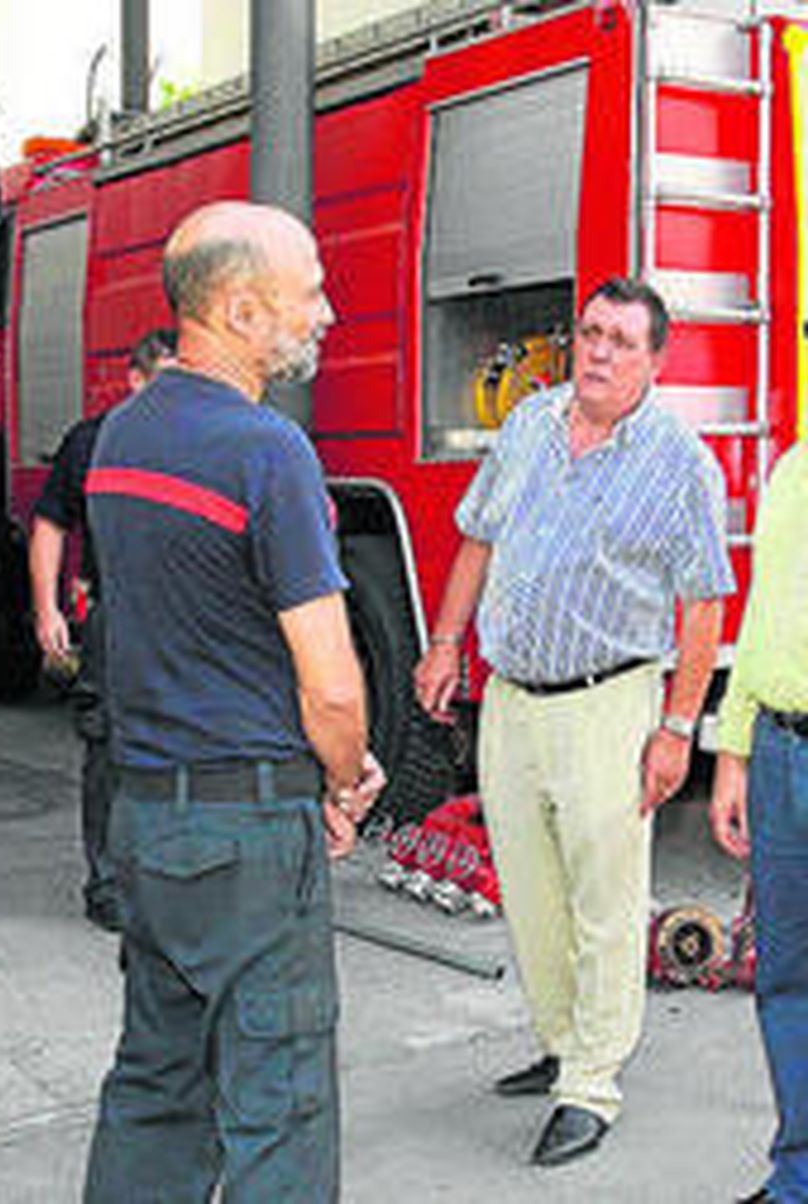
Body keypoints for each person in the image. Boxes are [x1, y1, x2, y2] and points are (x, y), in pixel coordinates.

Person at [81, 200, 384, 1204]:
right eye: (308, 293)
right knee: (279, 1105)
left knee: (156, 1087)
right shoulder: (266, 452)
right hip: (248, 833)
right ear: (241, 308)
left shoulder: (120, 437)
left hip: (145, 819)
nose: (326, 313)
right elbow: (330, 680)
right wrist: (345, 778)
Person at [413, 277, 734, 1168]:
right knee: (532, 891)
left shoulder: (680, 464)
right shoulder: (528, 425)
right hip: (511, 699)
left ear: (654, 363)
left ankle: (592, 1084)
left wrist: (677, 729)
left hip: (609, 701)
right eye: (590, 333)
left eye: (621, 342)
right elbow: (478, 535)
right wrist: (445, 644)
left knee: (605, 900)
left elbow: (703, 606)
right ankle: (560, 1042)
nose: (597, 352)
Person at [28, 327, 177, 932]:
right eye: (164, 384)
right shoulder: (92, 442)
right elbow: (49, 525)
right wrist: (47, 610)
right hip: (119, 615)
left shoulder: (202, 443)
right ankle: (110, 884)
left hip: (187, 618)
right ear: (134, 380)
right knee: (111, 747)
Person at [709, 442, 808, 1204]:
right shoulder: (793, 470)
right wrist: (735, 751)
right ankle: (798, 1176)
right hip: (779, 751)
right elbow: (762, 613)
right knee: (786, 979)